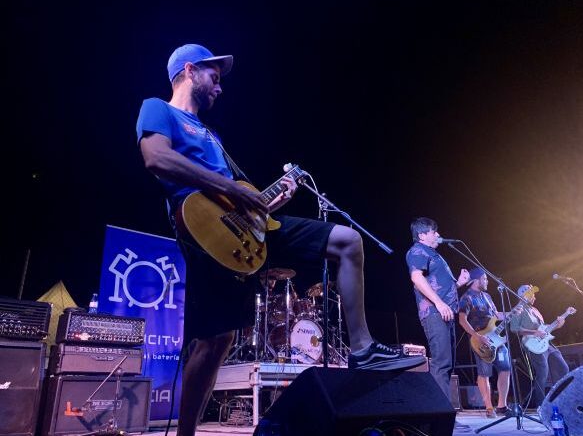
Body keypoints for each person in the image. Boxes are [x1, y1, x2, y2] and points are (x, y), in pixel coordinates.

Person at [136, 43, 425, 436]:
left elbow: (241, 199)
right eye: (214, 77)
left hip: (245, 229)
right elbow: (156, 158)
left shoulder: (212, 135)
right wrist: (234, 190)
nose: (220, 87)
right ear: (189, 70)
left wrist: (267, 201)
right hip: (202, 233)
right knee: (215, 341)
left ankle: (362, 349)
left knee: (348, 241)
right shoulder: (158, 108)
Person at [405, 217, 470, 402]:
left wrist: (459, 283)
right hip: (434, 313)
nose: (438, 235)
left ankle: (443, 409)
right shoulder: (417, 250)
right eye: (434, 232)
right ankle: (441, 412)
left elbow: (440, 287)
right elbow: (417, 279)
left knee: (448, 364)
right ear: (422, 235)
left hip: (445, 312)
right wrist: (439, 304)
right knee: (442, 363)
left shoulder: (433, 254)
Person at [458, 267, 512, 418]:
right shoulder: (467, 298)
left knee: (505, 368)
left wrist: (513, 312)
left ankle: (502, 406)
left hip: (496, 339)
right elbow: (462, 320)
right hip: (480, 340)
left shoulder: (487, 296)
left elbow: (496, 315)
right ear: (476, 280)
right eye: (485, 279)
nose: (487, 281)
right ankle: (489, 407)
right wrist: (477, 336)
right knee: (484, 373)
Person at [509, 284, 570, 408]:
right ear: (524, 295)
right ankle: (541, 405)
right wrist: (534, 332)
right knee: (543, 373)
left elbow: (544, 329)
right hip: (532, 344)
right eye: (532, 295)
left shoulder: (535, 310)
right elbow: (514, 328)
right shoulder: (519, 308)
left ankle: (560, 400)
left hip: (546, 343)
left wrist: (559, 323)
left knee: (563, 368)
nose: (534, 297)